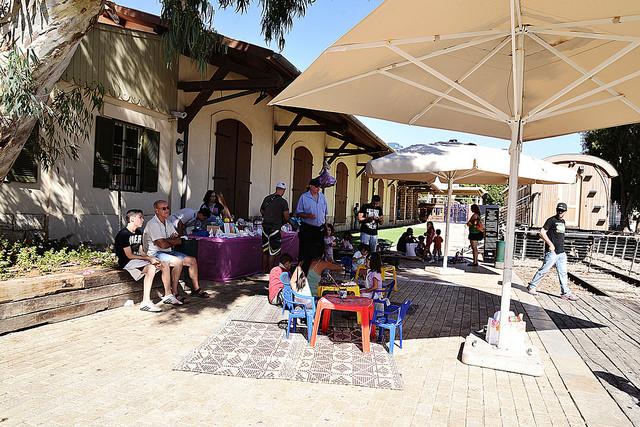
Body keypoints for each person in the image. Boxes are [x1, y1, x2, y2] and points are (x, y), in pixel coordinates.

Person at [114, 209, 179, 312]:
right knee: (151, 268)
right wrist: (149, 259)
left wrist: (151, 258)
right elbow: (129, 256)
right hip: (127, 262)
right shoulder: (123, 234)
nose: (143, 220)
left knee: (164, 263)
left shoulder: (138, 232)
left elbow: (141, 252)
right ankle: (146, 302)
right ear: (132, 219)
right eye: (140, 217)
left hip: (137, 260)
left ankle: (168, 295)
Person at [143, 200, 209, 298]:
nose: (167, 210)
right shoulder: (152, 224)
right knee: (178, 261)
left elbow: (179, 240)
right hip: (155, 253)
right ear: (156, 211)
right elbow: (162, 245)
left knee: (192, 261)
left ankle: (196, 289)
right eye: (163, 208)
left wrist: (167, 240)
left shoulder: (168, 222)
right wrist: (170, 241)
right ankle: (174, 292)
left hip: (167, 251)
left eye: (168, 208)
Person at [528, 202, 579, 301]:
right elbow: (542, 232)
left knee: (563, 273)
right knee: (544, 270)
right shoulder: (551, 220)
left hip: (561, 253)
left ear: (565, 211)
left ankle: (565, 293)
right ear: (556, 210)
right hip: (552, 252)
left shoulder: (563, 222)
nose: (560, 212)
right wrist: (550, 244)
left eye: (562, 211)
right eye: (558, 210)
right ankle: (532, 286)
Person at [260, 182, 290, 272]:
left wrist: (267, 216)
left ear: (276, 189)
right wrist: (282, 221)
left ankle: (264, 271)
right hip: (275, 229)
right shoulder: (283, 202)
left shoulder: (267, 198)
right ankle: (270, 273)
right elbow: (286, 216)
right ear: (283, 191)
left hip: (265, 228)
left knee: (265, 251)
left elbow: (261, 210)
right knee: (272, 252)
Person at [296, 178, 328, 262]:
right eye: (316, 187)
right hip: (308, 229)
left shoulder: (322, 196)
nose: (318, 188)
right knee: (306, 251)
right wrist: (307, 215)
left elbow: (325, 213)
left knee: (319, 251)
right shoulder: (304, 197)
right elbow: (298, 213)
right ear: (311, 186)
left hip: (320, 229)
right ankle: (304, 268)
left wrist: (326, 226)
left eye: (319, 187)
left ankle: (316, 268)